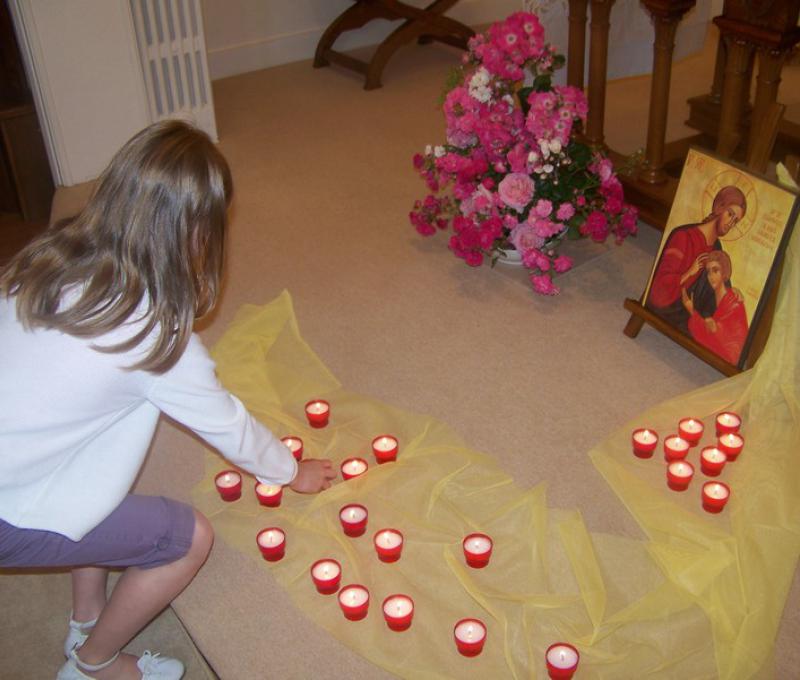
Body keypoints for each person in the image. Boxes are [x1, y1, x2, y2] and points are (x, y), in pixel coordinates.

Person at [0, 120, 337, 680]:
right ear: (197, 234)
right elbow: (230, 426)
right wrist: (290, 470)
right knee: (186, 539)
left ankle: (87, 618)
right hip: (7, 512)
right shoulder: (157, 338)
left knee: (102, 472)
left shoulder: (46, 259)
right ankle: (95, 664)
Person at [646, 185, 746, 334]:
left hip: (693, 312)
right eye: (730, 214)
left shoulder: (716, 247)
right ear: (720, 207)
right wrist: (689, 272)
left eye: (736, 221)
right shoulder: (684, 236)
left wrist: (733, 293)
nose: (730, 223)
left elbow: (721, 285)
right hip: (671, 308)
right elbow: (659, 289)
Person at [681, 250, 749, 365]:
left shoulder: (733, 301)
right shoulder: (710, 299)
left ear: (724, 272)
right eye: (708, 272)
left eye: (715, 270)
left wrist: (692, 312)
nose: (711, 276)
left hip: (730, 356)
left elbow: (731, 342)